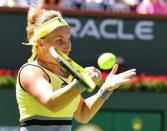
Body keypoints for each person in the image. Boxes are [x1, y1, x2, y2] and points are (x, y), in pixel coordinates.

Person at [16, 7, 136, 131]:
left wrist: (105, 89)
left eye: (69, 39)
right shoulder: (30, 71)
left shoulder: (67, 75)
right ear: (40, 44)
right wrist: (81, 82)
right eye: (60, 41)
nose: (67, 46)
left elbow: (82, 114)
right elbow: (52, 103)